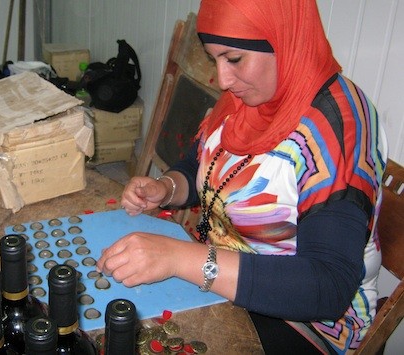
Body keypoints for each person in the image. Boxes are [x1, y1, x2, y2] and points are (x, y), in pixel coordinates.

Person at [96, 0, 387, 353]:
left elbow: (326, 287)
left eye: (234, 59)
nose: (223, 79)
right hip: (224, 283)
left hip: (308, 326)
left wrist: (179, 258)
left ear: (283, 40)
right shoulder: (245, 99)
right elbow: (200, 165)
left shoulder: (339, 126)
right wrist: (167, 187)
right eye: (214, 59)